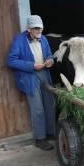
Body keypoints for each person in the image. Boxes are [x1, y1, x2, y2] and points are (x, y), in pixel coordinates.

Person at [7, 15, 56, 151]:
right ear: (28, 29)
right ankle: (40, 139)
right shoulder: (19, 40)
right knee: (38, 109)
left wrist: (50, 60)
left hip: (44, 74)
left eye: (40, 28)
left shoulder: (44, 39)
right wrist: (32, 65)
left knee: (50, 104)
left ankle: (51, 133)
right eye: (36, 28)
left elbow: (49, 55)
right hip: (30, 76)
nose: (39, 31)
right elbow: (11, 61)